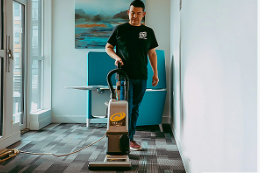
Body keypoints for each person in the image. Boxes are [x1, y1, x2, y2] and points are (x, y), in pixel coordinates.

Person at [105, 0, 159, 151]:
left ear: (143, 14)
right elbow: (108, 47)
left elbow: (152, 53)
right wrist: (116, 57)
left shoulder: (148, 32)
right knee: (124, 108)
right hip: (123, 76)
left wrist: (155, 73)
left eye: (138, 13)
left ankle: (130, 137)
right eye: (132, 12)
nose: (134, 16)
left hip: (141, 75)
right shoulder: (119, 29)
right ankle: (122, 138)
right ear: (128, 12)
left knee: (135, 108)